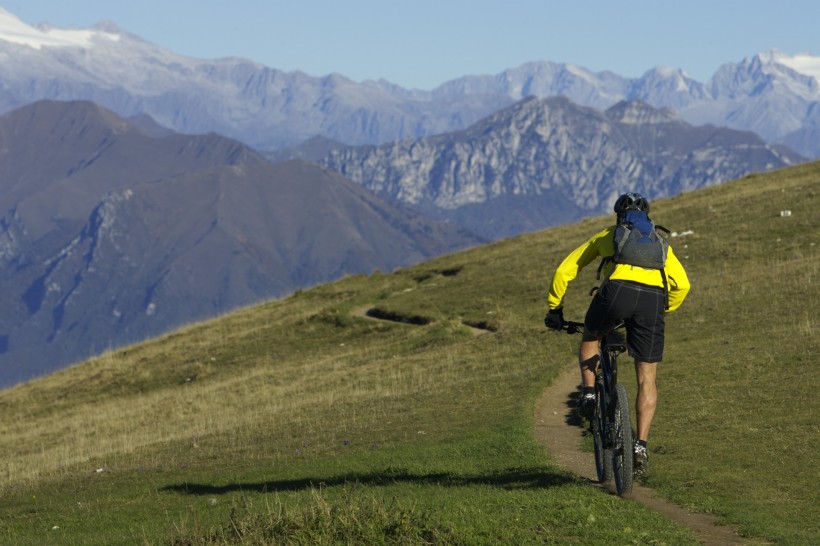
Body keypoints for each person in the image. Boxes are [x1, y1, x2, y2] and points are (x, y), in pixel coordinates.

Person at [544, 192, 690, 476]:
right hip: (652, 302)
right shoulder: (660, 242)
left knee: (591, 336)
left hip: (617, 293)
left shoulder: (610, 235)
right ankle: (641, 447)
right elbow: (682, 285)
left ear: (619, 216)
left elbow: (566, 269)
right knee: (647, 377)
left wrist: (555, 309)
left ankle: (588, 395)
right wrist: (664, 310)